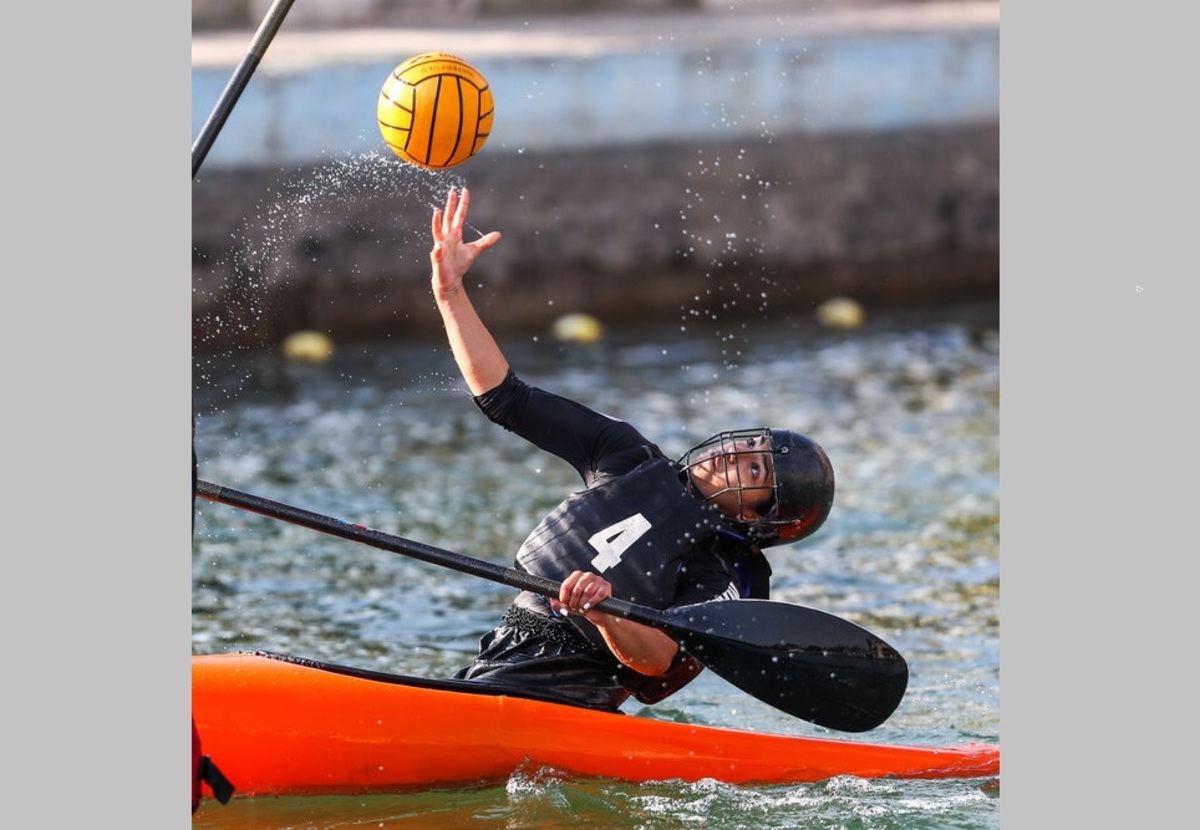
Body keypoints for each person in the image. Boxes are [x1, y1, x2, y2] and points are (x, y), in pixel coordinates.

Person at [429, 187, 835, 712]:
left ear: (763, 518)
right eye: (749, 444)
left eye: (754, 466)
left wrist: (605, 613)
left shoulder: (722, 572)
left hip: (573, 694)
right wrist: (449, 292)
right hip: (508, 652)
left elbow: (657, 659)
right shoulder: (625, 457)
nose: (734, 454)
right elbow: (506, 398)